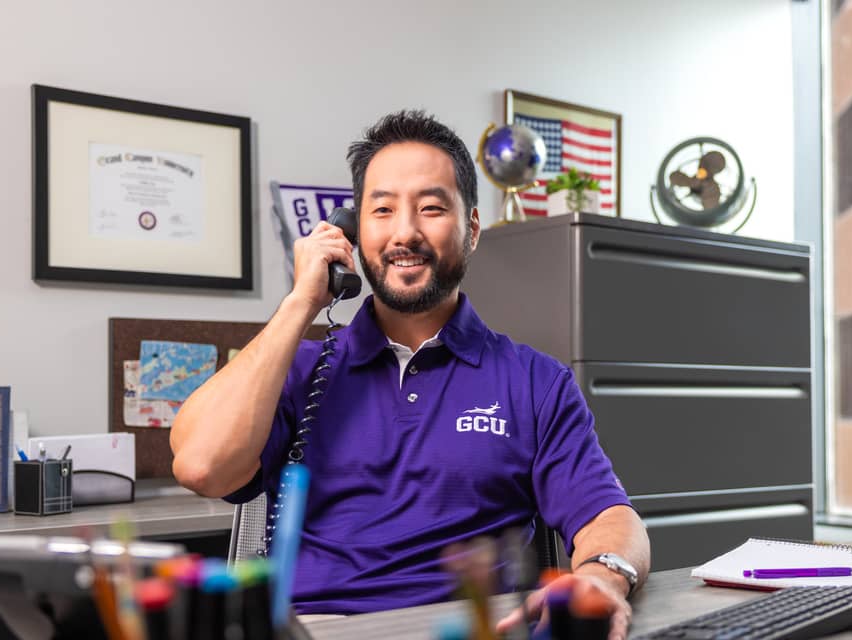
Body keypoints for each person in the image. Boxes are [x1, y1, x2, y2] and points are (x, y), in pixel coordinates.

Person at [170, 110, 650, 638]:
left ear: (470, 229)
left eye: (430, 208)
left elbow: (608, 515)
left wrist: (604, 577)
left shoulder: (536, 382)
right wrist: (300, 302)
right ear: (353, 232)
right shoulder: (300, 369)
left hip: (473, 626)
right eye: (381, 209)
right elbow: (202, 467)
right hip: (320, 628)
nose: (405, 232)